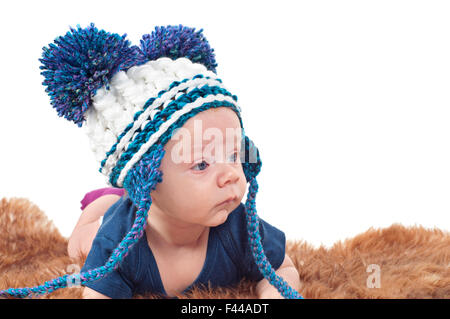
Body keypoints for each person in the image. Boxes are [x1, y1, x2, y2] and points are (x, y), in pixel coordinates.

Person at [0, 23, 303, 299]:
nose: (231, 176)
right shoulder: (119, 243)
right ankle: (98, 207)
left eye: (234, 155)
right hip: (120, 211)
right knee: (81, 244)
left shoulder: (239, 225)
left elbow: (282, 269)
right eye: (201, 164)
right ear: (146, 178)